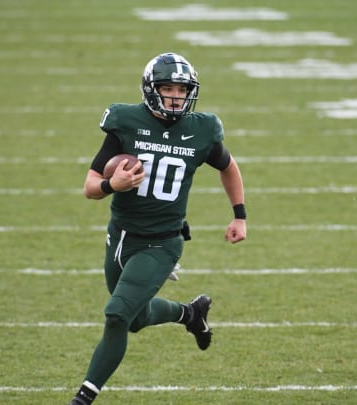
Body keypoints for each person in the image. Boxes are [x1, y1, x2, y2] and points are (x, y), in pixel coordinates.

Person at [69, 52, 247, 405]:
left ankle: (83, 398)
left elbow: (228, 166)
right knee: (135, 319)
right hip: (120, 235)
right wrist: (112, 186)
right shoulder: (125, 122)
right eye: (167, 88)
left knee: (117, 314)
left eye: (181, 90)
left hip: (163, 243)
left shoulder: (201, 129)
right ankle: (190, 313)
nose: (175, 96)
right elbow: (90, 186)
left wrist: (239, 214)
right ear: (151, 90)